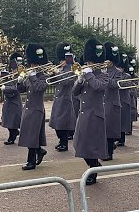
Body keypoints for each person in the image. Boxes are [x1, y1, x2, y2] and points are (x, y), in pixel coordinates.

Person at [72, 39, 110, 185]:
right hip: (83, 114)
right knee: (79, 145)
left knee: (91, 147)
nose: (88, 65)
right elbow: (75, 92)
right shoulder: (87, 74)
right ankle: (94, 166)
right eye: (88, 62)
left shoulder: (103, 75)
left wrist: (88, 75)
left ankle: (93, 170)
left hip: (95, 115)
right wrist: (80, 80)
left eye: (91, 62)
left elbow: (98, 86)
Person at [17, 43, 49, 170]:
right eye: (32, 64)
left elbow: (39, 88)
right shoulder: (31, 75)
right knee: (30, 135)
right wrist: (19, 81)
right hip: (28, 108)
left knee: (32, 136)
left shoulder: (43, 76)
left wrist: (32, 76)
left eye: (35, 64)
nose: (32, 67)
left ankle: (31, 162)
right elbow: (22, 89)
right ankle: (39, 151)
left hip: (37, 110)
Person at [48, 42, 75, 151]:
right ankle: (61, 141)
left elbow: (67, 81)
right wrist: (52, 74)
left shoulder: (72, 68)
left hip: (66, 99)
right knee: (56, 123)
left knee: (62, 123)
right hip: (58, 98)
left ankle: (64, 143)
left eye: (62, 60)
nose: (61, 62)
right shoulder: (62, 69)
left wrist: (57, 73)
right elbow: (51, 82)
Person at [102, 41, 123, 161]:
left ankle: (109, 153)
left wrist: (105, 76)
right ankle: (104, 150)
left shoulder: (118, 73)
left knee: (109, 131)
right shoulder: (101, 71)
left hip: (112, 104)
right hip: (102, 103)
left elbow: (115, 85)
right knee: (102, 130)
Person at [1, 52, 23, 145]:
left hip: (14, 101)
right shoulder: (11, 75)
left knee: (13, 121)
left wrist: (6, 88)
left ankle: (12, 137)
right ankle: (13, 133)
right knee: (8, 120)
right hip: (8, 101)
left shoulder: (21, 75)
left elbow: (17, 89)